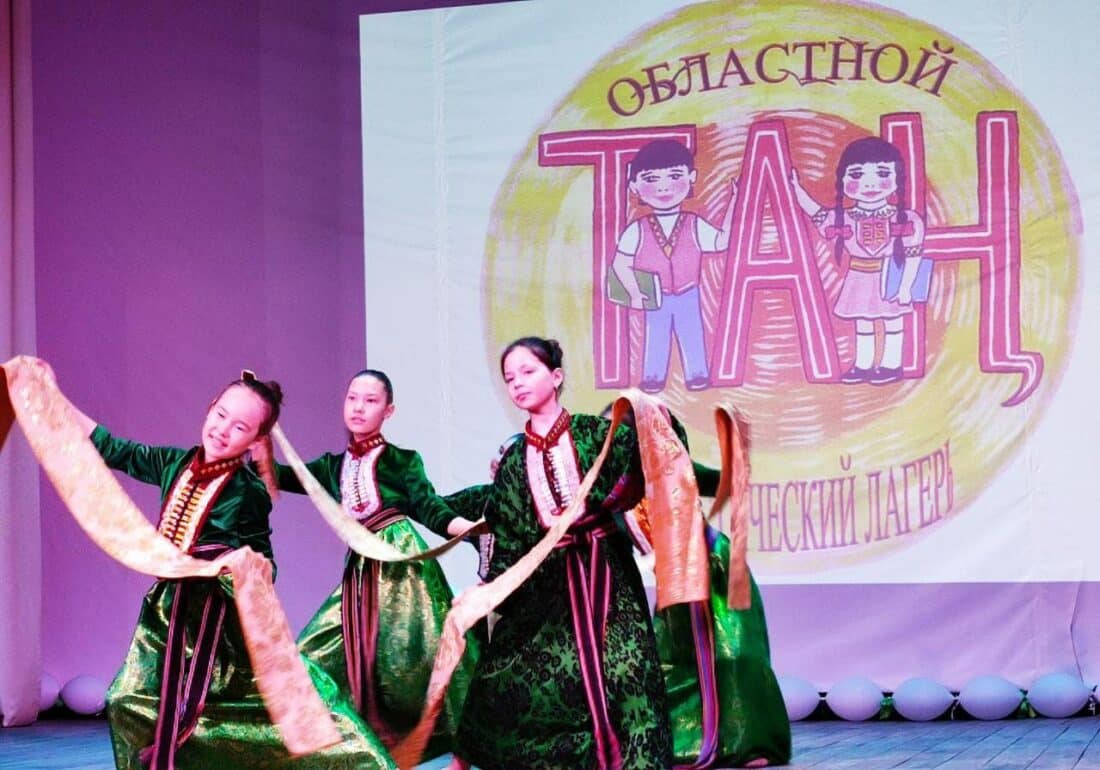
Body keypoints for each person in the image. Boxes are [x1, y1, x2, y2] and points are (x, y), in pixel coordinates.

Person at [67, 370, 396, 770]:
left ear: (256, 439)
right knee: (125, 700)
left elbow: (265, 561)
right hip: (169, 614)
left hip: (223, 622)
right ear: (210, 409)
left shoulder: (248, 490)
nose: (223, 431)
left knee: (286, 710)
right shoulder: (172, 463)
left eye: (240, 427)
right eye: (221, 415)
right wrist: (47, 398)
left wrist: (244, 567)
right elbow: (111, 448)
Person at [445, 336, 672, 770]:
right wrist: (488, 589)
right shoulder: (514, 461)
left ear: (556, 376)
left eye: (527, 371)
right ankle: (466, 758)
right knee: (505, 668)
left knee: (629, 670)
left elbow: (648, 459)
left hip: (606, 573)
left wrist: (650, 413)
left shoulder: (594, 434)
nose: (517, 383)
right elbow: (510, 532)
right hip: (546, 580)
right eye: (509, 378)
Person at [256, 368, 478, 762]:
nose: (358, 407)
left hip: (404, 572)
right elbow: (282, 476)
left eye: (370, 401)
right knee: (310, 657)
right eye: (352, 398)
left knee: (425, 661)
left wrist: (472, 529)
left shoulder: (402, 461)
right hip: (359, 577)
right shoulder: (332, 466)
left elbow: (430, 508)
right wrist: (259, 437)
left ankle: (466, 750)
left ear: (388, 411)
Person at [790, 136, 926, 385]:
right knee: (863, 322)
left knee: (893, 321)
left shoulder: (908, 219)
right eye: (857, 175)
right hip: (859, 277)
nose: (870, 183)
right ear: (842, 181)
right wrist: (798, 191)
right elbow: (817, 214)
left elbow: (914, 255)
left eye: (882, 173)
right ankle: (863, 365)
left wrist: (906, 287)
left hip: (891, 277)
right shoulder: (843, 218)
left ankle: (891, 364)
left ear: (898, 180)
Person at [611, 138, 738, 392]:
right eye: (651, 179)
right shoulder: (637, 230)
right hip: (656, 295)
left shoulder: (694, 223)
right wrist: (634, 293)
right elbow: (620, 264)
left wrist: (734, 201)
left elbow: (721, 241)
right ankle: (653, 377)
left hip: (688, 291)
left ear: (691, 177)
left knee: (692, 333)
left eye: (674, 176)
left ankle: (697, 374)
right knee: (655, 334)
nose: (663, 187)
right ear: (634, 185)